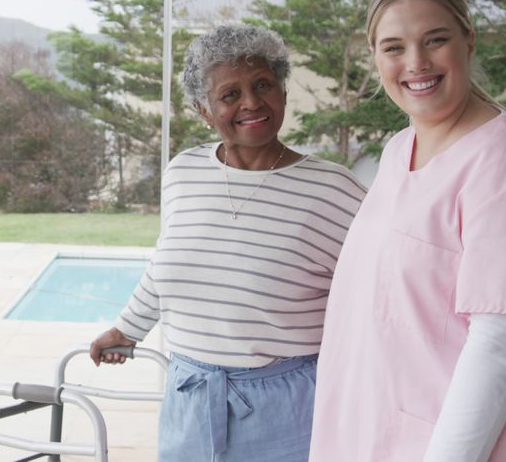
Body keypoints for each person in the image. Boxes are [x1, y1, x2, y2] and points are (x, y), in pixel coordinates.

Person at [89, 24, 367, 461]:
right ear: (204, 109)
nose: (251, 103)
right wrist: (128, 329)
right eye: (229, 94)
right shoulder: (183, 172)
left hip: (290, 402)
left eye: (262, 86)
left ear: (283, 93)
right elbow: (169, 263)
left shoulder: (334, 190)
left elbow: (374, 294)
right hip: (190, 393)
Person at [310, 0, 506, 461]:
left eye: (435, 40)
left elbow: (500, 351)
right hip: (369, 434)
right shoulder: (401, 148)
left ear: (468, 39)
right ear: (375, 56)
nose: (416, 63)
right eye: (394, 47)